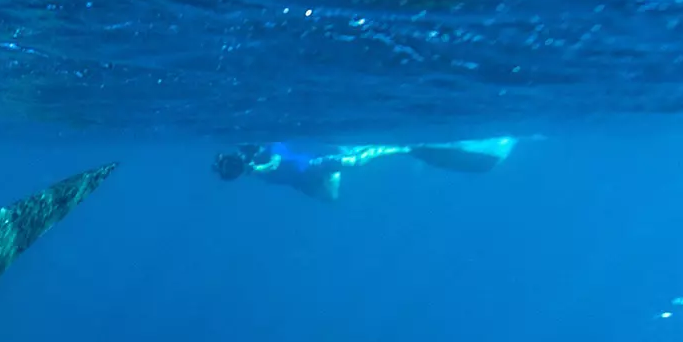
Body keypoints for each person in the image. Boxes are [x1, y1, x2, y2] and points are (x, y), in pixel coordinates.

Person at [212, 137, 515, 201]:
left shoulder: (256, 154)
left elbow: (277, 156)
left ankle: (403, 147)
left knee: (353, 161)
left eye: (233, 165)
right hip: (305, 178)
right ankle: (348, 156)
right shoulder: (255, 166)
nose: (239, 168)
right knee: (331, 199)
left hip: (313, 168)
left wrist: (259, 162)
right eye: (233, 171)